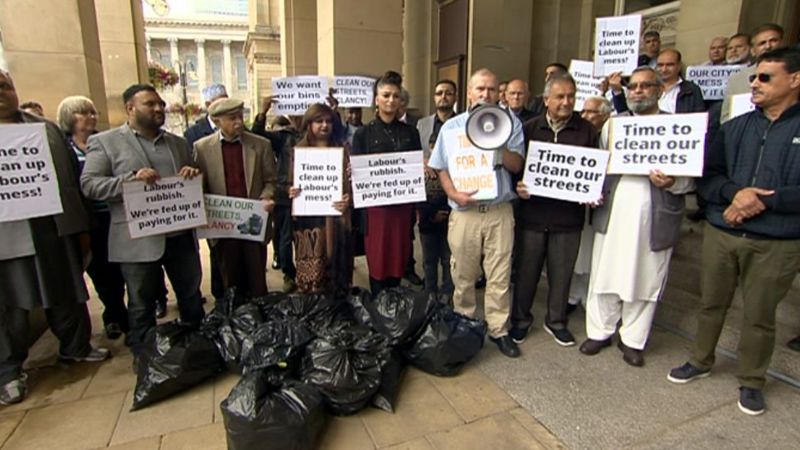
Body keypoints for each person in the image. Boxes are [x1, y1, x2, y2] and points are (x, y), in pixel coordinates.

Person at [667, 47, 800, 416]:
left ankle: (752, 380)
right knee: (711, 303)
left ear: (795, 79)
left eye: (765, 77)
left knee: (759, 314)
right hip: (724, 233)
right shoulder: (734, 126)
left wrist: (765, 201)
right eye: (754, 77)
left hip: (777, 240)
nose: (755, 83)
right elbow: (708, 177)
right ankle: (700, 359)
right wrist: (734, 194)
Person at [0, 70, 109, 405]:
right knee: (9, 307)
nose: (1, 93)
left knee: (65, 291)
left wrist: (79, 230)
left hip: (50, 230)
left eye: (4, 86)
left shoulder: (44, 130)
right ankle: (7, 371)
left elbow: (68, 184)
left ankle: (75, 347)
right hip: (6, 237)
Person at [579, 66, 694, 367]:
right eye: (633, 87)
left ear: (659, 90)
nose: (638, 91)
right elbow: (599, 166)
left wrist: (673, 182)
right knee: (604, 274)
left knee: (645, 278)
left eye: (645, 86)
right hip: (614, 213)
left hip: (654, 217)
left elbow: (691, 178)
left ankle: (632, 339)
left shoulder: (678, 127)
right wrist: (593, 190)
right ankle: (599, 331)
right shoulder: (613, 126)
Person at [81, 84, 205, 356]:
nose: (159, 108)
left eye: (160, 103)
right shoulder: (106, 142)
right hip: (137, 240)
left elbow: (194, 179)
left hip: (180, 236)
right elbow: (90, 185)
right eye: (150, 104)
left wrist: (191, 173)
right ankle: (144, 352)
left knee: (191, 295)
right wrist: (130, 180)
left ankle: (198, 347)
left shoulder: (178, 143)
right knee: (141, 302)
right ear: (130, 108)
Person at [428, 68, 525, 358]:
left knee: (499, 274)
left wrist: (499, 148)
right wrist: (451, 193)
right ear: (469, 93)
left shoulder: (511, 125)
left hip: (499, 210)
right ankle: (465, 323)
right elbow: (441, 166)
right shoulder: (453, 127)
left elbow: (517, 165)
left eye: (492, 90)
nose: (486, 94)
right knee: (463, 273)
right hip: (465, 212)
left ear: (500, 94)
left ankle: (499, 329)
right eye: (480, 89)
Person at [510, 73, 599, 347]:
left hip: (568, 220)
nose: (566, 102)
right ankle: (520, 320)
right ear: (546, 99)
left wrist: (593, 191)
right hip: (532, 217)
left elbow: (595, 170)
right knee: (526, 274)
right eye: (560, 96)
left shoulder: (587, 131)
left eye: (571, 96)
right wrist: (518, 187)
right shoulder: (529, 129)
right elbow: (515, 167)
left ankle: (556, 321)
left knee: (562, 275)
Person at [57, 95, 128, 340]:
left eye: (92, 112)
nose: (91, 117)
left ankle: (123, 313)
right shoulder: (64, 149)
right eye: (83, 113)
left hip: (116, 213)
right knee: (102, 272)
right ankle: (114, 315)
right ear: (70, 119)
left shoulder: (108, 142)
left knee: (122, 269)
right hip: (88, 220)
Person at [193, 98, 276, 297]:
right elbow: (199, 187)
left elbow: (272, 181)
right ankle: (232, 315)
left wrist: (266, 198)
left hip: (253, 223)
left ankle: (258, 316)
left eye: (240, 116)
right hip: (223, 227)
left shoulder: (261, 145)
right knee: (229, 279)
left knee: (256, 279)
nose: (239, 122)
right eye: (232, 118)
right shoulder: (202, 148)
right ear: (216, 121)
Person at [352, 71, 422, 296]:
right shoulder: (363, 134)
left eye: (395, 95)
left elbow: (415, 168)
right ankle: (379, 305)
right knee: (378, 261)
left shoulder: (411, 133)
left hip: (402, 209)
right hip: (376, 212)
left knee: (398, 259)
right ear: (376, 99)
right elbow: (357, 174)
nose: (391, 100)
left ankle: (395, 307)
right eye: (386, 95)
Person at [288, 103, 353, 296]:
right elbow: (284, 183)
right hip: (309, 220)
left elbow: (353, 184)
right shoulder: (297, 151)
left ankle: (338, 306)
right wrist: (290, 190)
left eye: (328, 121)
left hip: (337, 220)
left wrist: (348, 198)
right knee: (313, 272)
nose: (324, 125)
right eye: (319, 121)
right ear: (309, 124)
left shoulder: (343, 150)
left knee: (338, 267)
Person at [183, 83, 228, 304]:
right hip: (212, 203)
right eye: (220, 100)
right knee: (218, 251)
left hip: (237, 203)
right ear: (209, 106)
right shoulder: (193, 134)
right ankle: (220, 296)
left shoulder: (239, 129)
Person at [569, 95, 613, 310]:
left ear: (605, 115)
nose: (584, 116)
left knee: (594, 254)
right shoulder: (580, 135)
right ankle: (573, 295)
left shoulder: (611, 136)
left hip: (601, 206)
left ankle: (588, 296)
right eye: (583, 111)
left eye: (590, 112)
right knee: (579, 253)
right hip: (577, 206)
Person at [252, 99, 299, 293]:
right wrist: (263, 112)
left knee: (309, 237)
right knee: (285, 238)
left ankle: (309, 272)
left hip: (312, 195)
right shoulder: (283, 136)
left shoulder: (315, 133)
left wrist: (333, 109)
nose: (299, 114)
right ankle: (289, 274)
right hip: (284, 195)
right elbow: (257, 134)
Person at [416, 79, 458, 300]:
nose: (444, 96)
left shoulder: (462, 124)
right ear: (434, 97)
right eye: (439, 92)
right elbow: (413, 155)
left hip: (453, 195)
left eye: (449, 93)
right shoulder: (422, 125)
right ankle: (429, 295)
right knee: (429, 256)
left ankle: (448, 297)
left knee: (450, 256)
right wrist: (422, 161)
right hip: (427, 197)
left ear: (455, 97)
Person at [721, 24, 784, 124]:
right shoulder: (738, 79)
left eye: (773, 41)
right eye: (762, 43)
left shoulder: (795, 74)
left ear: (782, 44)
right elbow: (726, 117)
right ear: (753, 51)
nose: (768, 46)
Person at [611, 49, 706, 114]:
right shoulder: (644, 88)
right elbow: (626, 113)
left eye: (669, 65)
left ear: (679, 66)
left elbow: (699, 120)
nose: (664, 69)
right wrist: (617, 91)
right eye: (660, 65)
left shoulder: (691, 90)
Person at [184, 84, 228, 154]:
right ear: (208, 105)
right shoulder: (193, 133)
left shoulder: (236, 127)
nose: (225, 108)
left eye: (227, 103)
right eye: (221, 104)